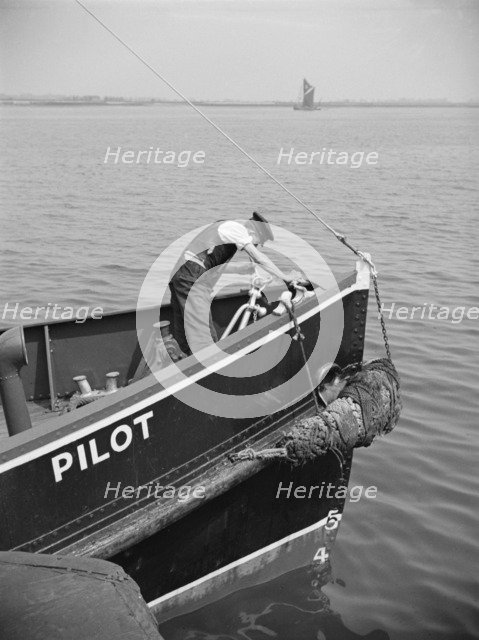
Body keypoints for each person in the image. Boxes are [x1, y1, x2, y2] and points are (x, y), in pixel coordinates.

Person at [168, 212, 307, 356]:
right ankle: (209, 371)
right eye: (257, 242)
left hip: (181, 275)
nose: (256, 246)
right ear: (253, 231)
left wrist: (242, 269)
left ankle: (185, 367)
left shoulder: (225, 233)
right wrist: (285, 277)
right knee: (205, 341)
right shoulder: (236, 228)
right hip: (192, 279)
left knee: (184, 336)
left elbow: (210, 266)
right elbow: (258, 257)